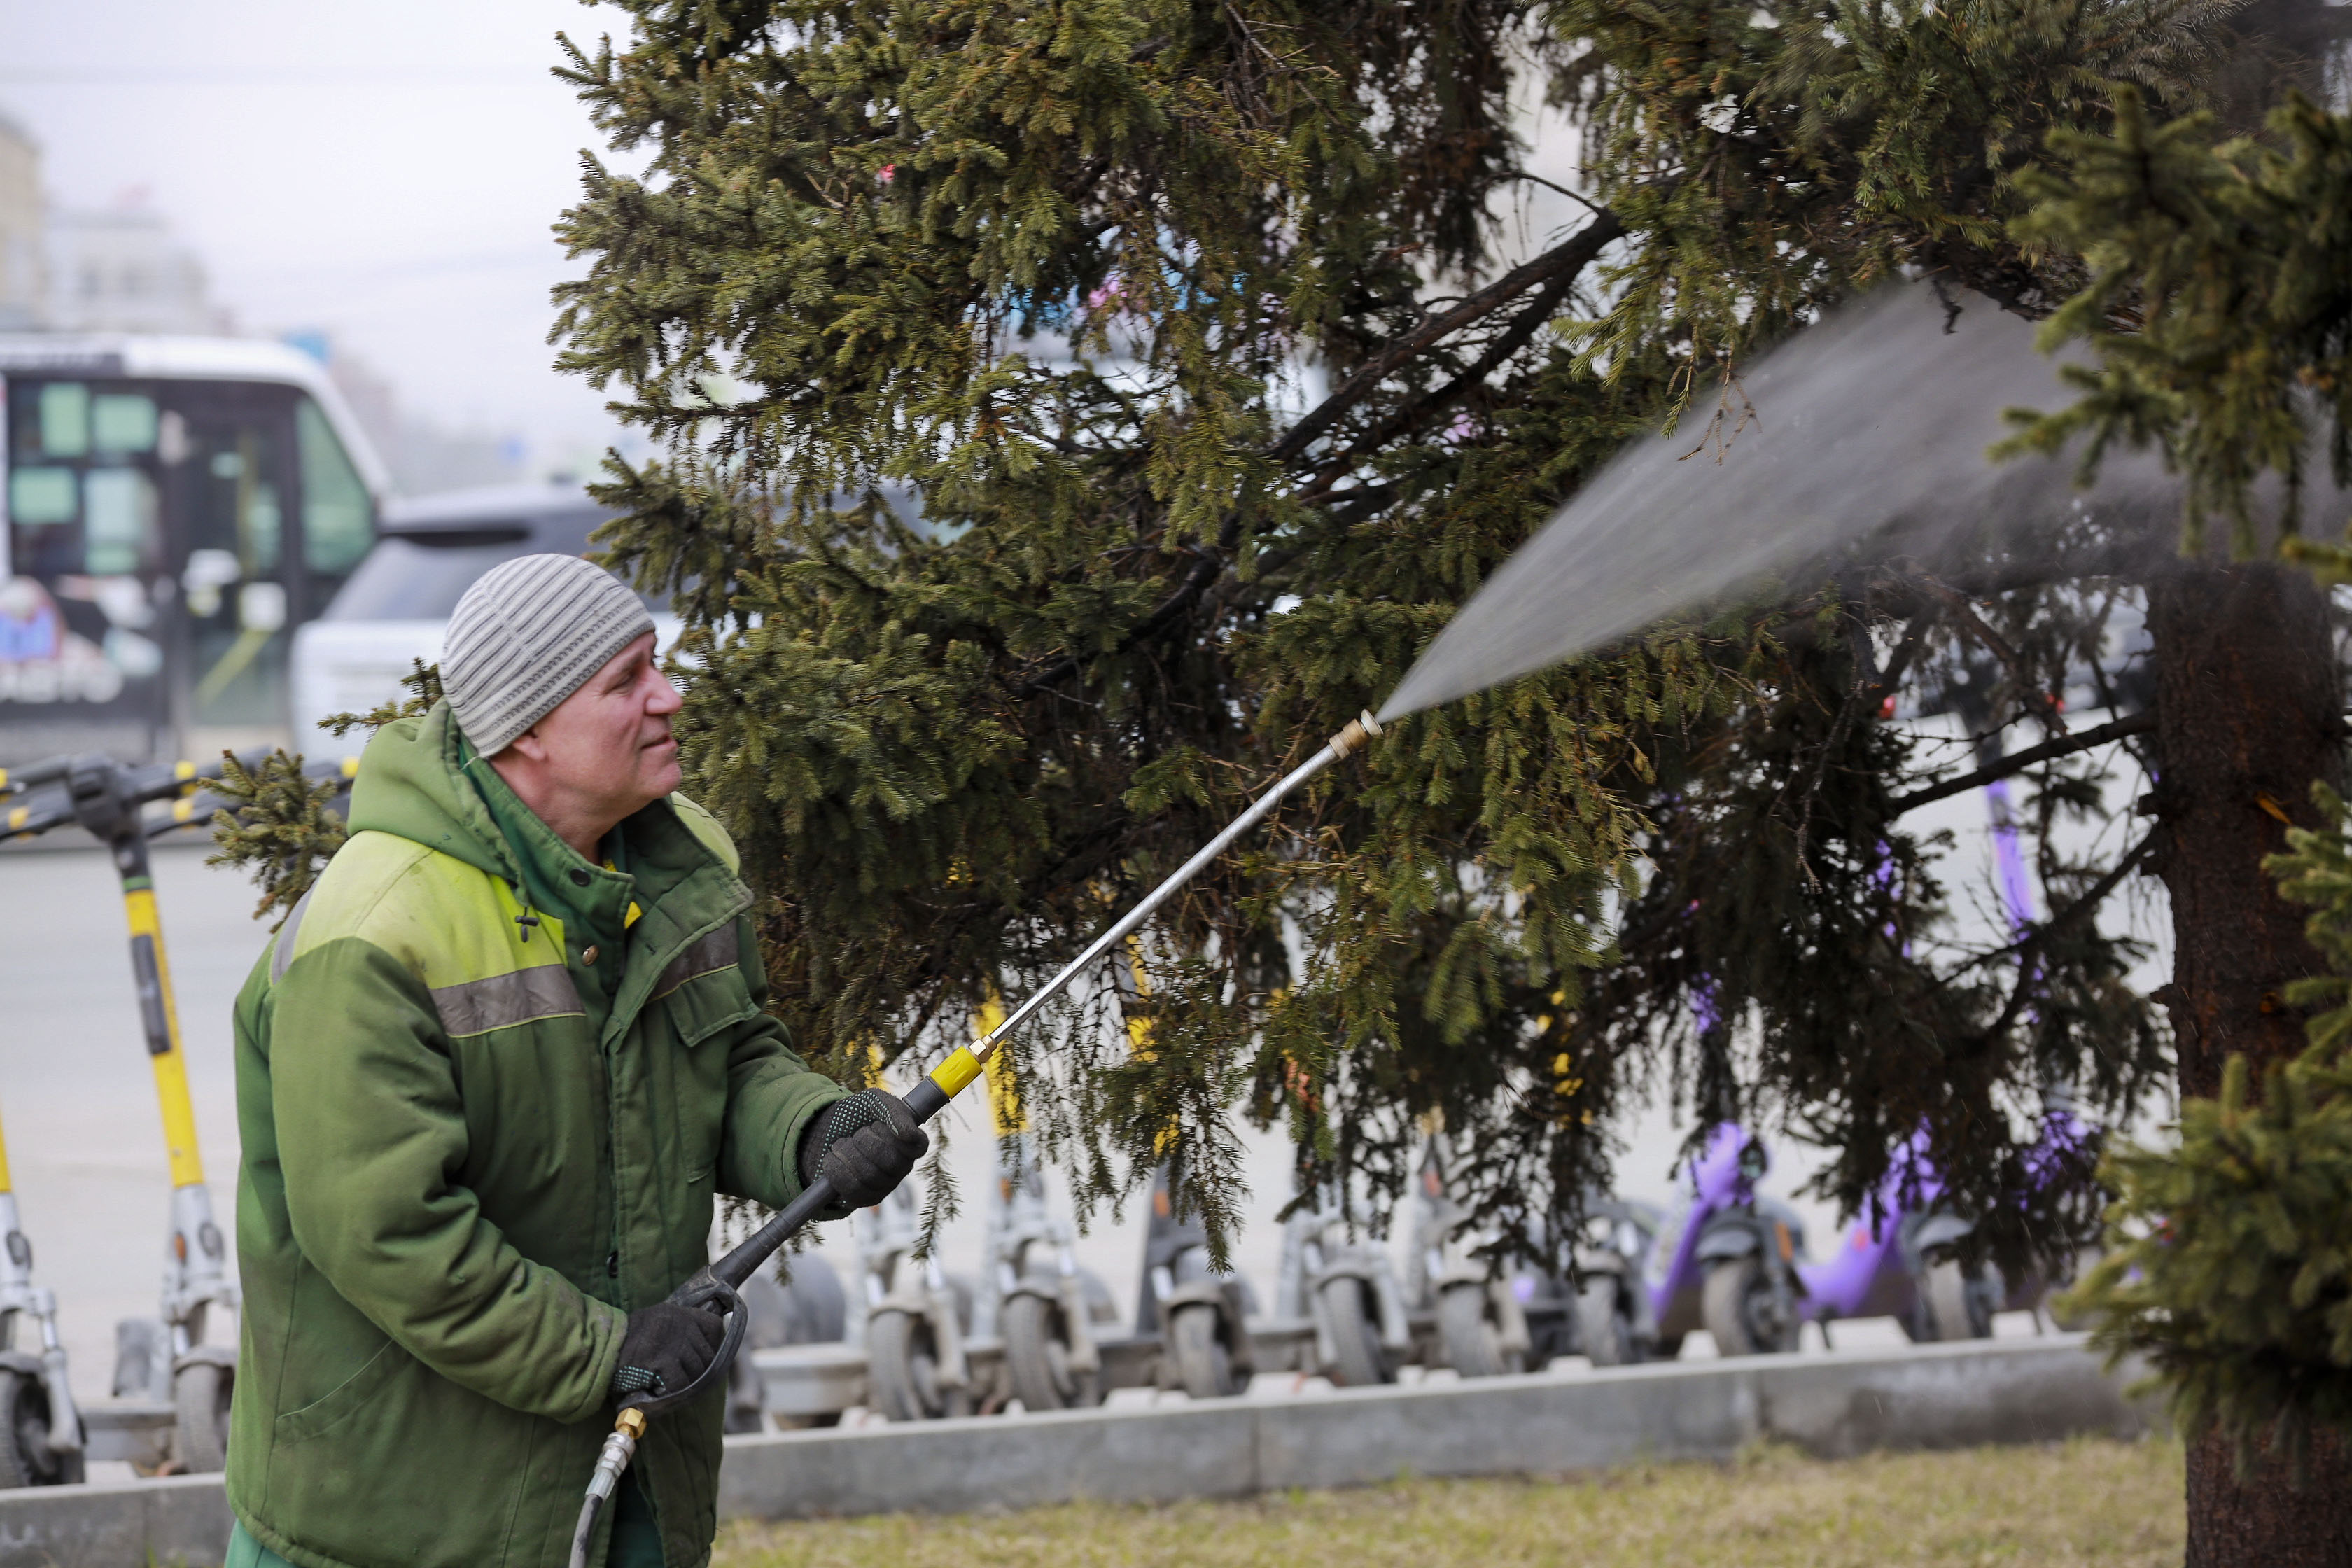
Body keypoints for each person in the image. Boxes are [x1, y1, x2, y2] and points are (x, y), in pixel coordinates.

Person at [223, 555, 927, 1568]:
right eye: (626, 680)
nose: (669, 697)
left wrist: (811, 1130)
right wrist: (608, 1353)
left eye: (658, 666)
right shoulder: (373, 934)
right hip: (397, 1515)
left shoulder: (680, 863)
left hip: (630, 1476)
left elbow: (725, 1059)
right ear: (528, 728)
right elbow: (387, 1232)